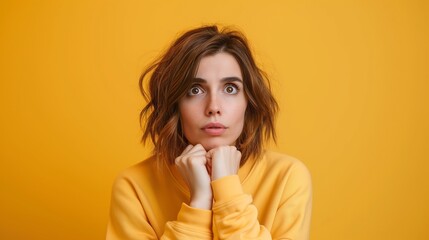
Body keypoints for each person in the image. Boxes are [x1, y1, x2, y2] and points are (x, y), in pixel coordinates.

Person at [106, 25, 312, 240]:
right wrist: (200, 201)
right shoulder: (134, 186)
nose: (214, 106)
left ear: (249, 102)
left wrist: (227, 188)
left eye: (230, 88)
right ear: (175, 104)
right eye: (195, 90)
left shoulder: (287, 177)